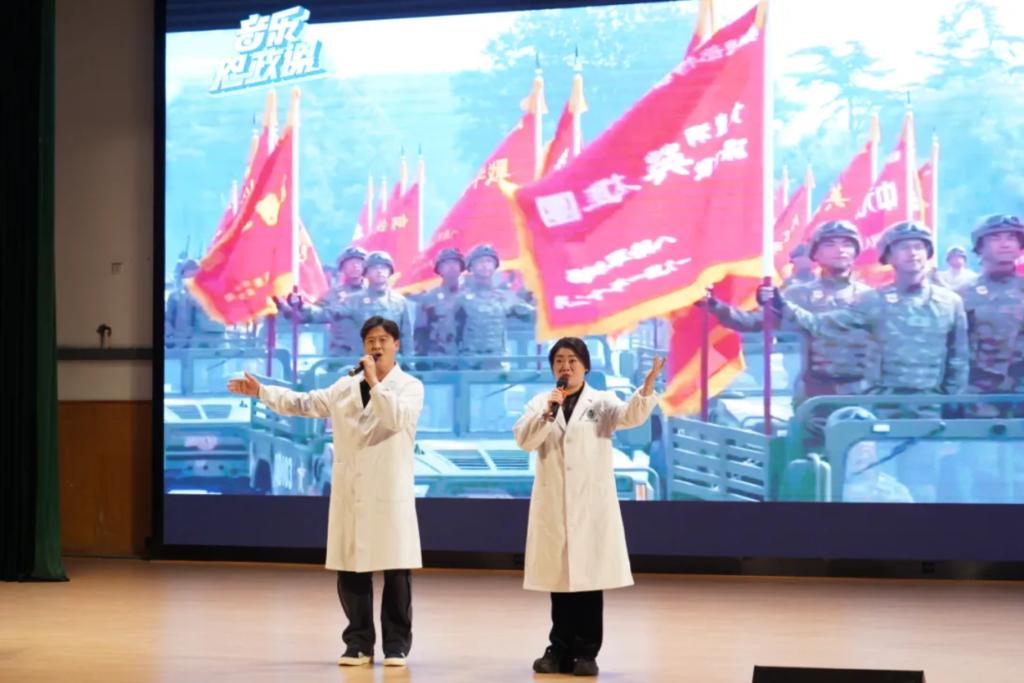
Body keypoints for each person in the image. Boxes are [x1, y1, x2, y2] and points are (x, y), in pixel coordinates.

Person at [227, 316, 424, 667]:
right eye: (370, 340)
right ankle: (358, 643)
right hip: (351, 492)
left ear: (397, 345)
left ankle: (396, 646)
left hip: (388, 493)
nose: (376, 346)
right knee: (351, 569)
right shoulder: (345, 386)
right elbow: (304, 403)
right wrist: (262, 392)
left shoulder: (410, 387)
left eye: (383, 340)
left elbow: (394, 418)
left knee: (395, 572)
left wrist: (374, 382)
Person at [513, 337, 664, 677]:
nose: (565, 367)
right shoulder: (540, 402)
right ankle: (558, 649)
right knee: (560, 582)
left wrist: (646, 388)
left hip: (590, 505)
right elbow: (524, 440)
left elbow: (630, 417)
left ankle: (585, 652)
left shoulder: (602, 401)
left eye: (572, 360)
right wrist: (547, 413)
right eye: (559, 361)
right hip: (555, 505)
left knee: (589, 582)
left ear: (585, 366)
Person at [762, 221, 968, 419]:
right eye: (904, 248)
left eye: (919, 247)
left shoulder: (950, 302)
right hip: (880, 407)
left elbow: (958, 359)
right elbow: (820, 324)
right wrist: (780, 304)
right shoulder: (873, 300)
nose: (913, 253)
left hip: (932, 407)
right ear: (889, 256)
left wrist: (953, 401)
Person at [704, 220, 878, 408]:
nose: (840, 250)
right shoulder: (797, 295)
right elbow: (752, 322)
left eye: (847, 244)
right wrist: (715, 305)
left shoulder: (870, 297)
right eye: (830, 244)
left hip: (862, 395)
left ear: (856, 252)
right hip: (812, 395)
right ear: (815, 254)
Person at [955, 214, 1024, 416]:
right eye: (995, 238)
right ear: (980, 247)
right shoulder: (961, 296)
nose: (1005, 244)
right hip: (978, 398)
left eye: (1012, 238)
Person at [455, 243, 534, 358]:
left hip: (497, 361)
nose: (485, 265)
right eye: (480, 261)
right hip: (468, 362)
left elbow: (533, 316)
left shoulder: (505, 297)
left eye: (489, 261)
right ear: (471, 267)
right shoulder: (460, 298)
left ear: (495, 266)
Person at [410, 247, 464, 358]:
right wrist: (422, 362)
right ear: (439, 269)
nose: (451, 266)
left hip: (466, 359)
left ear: (461, 267)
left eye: (455, 262)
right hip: (437, 359)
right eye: (446, 263)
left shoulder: (469, 297)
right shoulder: (428, 298)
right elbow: (420, 334)